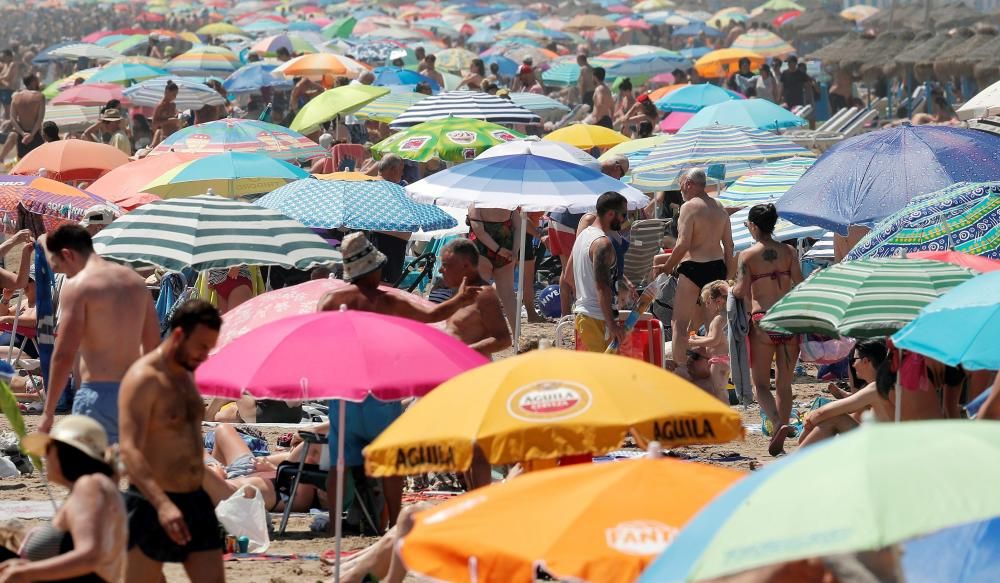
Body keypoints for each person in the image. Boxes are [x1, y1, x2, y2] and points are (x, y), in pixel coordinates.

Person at [317, 233, 481, 527]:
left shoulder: (330, 301)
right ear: (374, 269)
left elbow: (321, 342)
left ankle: (333, 524)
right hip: (381, 392)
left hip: (345, 392)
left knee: (339, 465)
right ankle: (392, 523)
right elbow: (433, 315)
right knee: (391, 463)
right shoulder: (387, 301)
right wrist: (461, 299)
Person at [118, 300, 225, 583]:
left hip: (195, 499)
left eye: (210, 348)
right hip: (150, 502)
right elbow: (129, 449)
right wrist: (163, 504)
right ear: (178, 335)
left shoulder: (187, 372)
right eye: (201, 346)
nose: (205, 356)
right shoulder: (144, 379)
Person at [41, 225, 160, 441]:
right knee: (127, 468)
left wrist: (48, 413)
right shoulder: (135, 283)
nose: (65, 275)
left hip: (97, 394)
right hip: (134, 394)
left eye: (61, 268)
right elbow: (152, 346)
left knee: (91, 471)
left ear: (68, 254)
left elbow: (64, 354)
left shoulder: (78, 285)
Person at [0, 416, 126, 582]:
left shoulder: (89, 486)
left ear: (63, 453)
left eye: (48, 450)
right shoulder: (97, 486)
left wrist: (26, 572)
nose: (44, 457)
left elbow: (91, 556)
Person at [732, 203, 803, 456]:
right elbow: (800, 282)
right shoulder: (789, 252)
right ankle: (781, 436)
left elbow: (740, 290)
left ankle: (777, 424)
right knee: (784, 383)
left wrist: (730, 290)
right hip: (788, 318)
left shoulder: (747, 256)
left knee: (761, 384)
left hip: (763, 320)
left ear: (753, 226)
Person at [653, 168, 733, 369]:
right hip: (717, 268)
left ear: (689, 184)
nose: (680, 190)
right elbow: (729, 245)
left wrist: (668, 267)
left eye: (681, 185)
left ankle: (681, 371)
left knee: (679, 324)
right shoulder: (720, 208)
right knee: (712, 325)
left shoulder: (689, 207)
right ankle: (715, 372)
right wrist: (729, 277)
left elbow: (683, 244)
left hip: (693, 267)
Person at [565, 191, 628, 352]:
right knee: (600, 374)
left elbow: (568, 277)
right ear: (610, 214)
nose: (624, 220)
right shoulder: (602, 243)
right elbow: (602, 287)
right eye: (623, 214)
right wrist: (612, 324)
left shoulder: (583, 236)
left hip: (584, 317)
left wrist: (584, 296)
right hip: (597, 319)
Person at [798, 339, 890, 447]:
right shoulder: (884, 383)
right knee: (853, 413)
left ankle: (795, 460)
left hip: (881, 448)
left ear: (866, 361)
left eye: (854, 360)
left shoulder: (875, 387)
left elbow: (822, 413)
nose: (853, 365)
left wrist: (809, 425)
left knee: (835, 418)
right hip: (882, 442)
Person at [439, 238, 512, 358]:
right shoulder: (461, 291)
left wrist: (461, 352)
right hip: (456, 368)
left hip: (471, 369)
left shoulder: (483, 295)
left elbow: (503, 340)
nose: (441, 270)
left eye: (446, 265)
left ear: (465, 265)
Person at [688, 280, 730, 403]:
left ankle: (726, 416)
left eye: (707, 302)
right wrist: (697, 338)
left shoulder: (718, 320)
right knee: (719, 390)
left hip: (719, 360)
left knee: (719, 391)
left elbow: (714, 341)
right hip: (719, 360)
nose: (706, 305)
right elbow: (712, 337)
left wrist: (695, 342)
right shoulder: (720, 319)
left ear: (718, 301)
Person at [11, 74, 45, 159]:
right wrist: (32, 135)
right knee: (38, 165)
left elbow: (12, 119)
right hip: (36, 135)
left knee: (22, 168)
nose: (38, 83)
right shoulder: (39, 96)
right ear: (33, 82)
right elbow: (39, 119)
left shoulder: (15, 97)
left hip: (22, 137)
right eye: (37, 81)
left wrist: (23, 134)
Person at [151, 80, 180, 146]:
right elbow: (154, 123)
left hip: (176, 135)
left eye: (176, 95)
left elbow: (173, 118)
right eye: (174, 94)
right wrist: (168, 121)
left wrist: (178, 117)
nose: (175, 97)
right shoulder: (160, 106)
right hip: (166, 137)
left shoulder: (173, 105)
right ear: (167, 92)